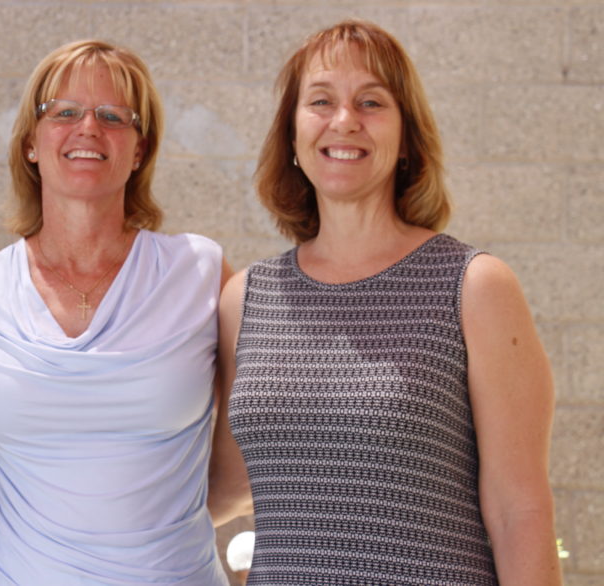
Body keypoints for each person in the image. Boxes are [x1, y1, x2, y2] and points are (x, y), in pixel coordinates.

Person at [210, 19, 562, 584]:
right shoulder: (244, 300)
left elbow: (518, 510)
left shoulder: (474, 286)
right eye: (320, 100)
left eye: (371, 102)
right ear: (292, 136)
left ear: (406, 139)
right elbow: (222, 489)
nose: (344, 120)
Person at [0, 39, 231, 584]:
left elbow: (247, 451)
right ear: (30, 144)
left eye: (114, 115)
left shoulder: (201, 272)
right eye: (64, 112)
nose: (88, 127)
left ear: (139, 150)